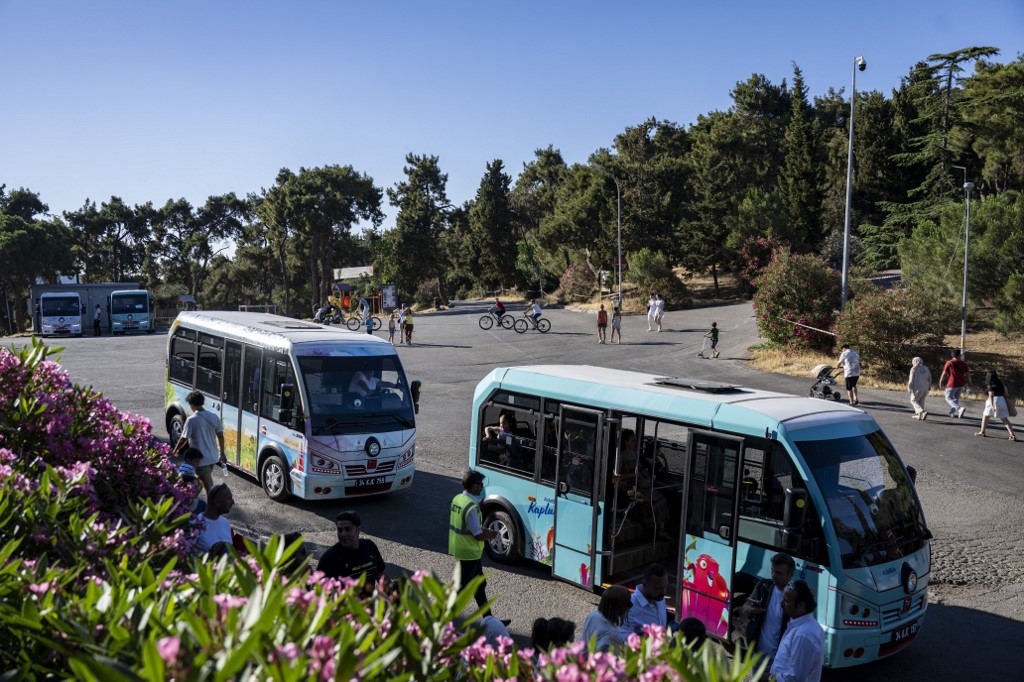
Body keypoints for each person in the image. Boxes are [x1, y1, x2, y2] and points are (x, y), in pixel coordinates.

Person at [449, 470, 501, 616]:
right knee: (460, 589)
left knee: (479, 585)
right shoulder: (471, 506)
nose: (482, 487)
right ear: (473, 486)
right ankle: (441, 620)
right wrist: (492, 534)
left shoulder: (458, 499)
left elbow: (467, 527)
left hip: (462, 549)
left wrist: (483, 529)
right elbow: (477, 535)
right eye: (480, 485)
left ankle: (489, 618)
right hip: (469, 553)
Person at [740, 553, 796, 667]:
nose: (774, 575)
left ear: (790, 575)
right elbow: (744, 609)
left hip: (780, 659)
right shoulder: (764, 587)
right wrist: (749, 609)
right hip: (758, 654)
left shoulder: (796, 596)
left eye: (779, 573)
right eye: (772, 570)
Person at [318, 510, 388, 592]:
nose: (343, 534)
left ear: (358, 530)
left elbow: (382, 577)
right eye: (340, 530)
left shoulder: (370, 546)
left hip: (369, 603)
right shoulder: (329, 558)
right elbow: (318, 590)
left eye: (348, 529)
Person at [768, 580, 824, 682]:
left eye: (787, 601)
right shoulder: (799, 626)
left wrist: (769, 678)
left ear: (801, 606)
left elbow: (795, 678)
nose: (782, 604)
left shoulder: (803, 635)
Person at [171, 391, 226, 495]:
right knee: (203, 483)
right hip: (213, 457)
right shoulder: (214, 416)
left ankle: (213, 506)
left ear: (191, 404)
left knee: (209, 487)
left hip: (200, 460)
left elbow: (183, 438)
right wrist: (222, 453)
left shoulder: (191, 420)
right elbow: (221, 436)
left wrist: (176, 449)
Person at [621, 563, 668, 637]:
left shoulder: (659, 597)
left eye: (665, 586)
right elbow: (623, 639)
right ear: (645, 584)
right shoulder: (630, 607)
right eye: (658, 588)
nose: (663, 592)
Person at [580, 585, 631, 652]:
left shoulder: (593, 615)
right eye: (628, 604)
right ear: (619, 607)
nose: (630, 607)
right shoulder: (613, 634)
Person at [975, 370, 1016, 441]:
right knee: (1004, 419)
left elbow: (991, 395)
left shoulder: (991, 384)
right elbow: (1006, 393)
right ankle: (1012, 435)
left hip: (994, 401)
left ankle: (982, 432)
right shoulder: (1001, 383)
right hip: (1002, 400)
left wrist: (992, 405)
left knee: (985, 416)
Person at [196, 483, 235, 555]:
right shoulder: (196, 525)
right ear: (217, 502)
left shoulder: (225, 523)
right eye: (229, 498)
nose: (233, 502)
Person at [939, 349, 971, 418]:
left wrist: (941, 382)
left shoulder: (949, 363)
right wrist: (969, 382)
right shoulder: (963, 363)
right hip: (960, 383)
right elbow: (968, 374)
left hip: (952, 383)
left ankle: (959, 409)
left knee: (948, 397)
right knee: (955, 399)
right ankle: (951, 413)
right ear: (959, 355)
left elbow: (944, 373)